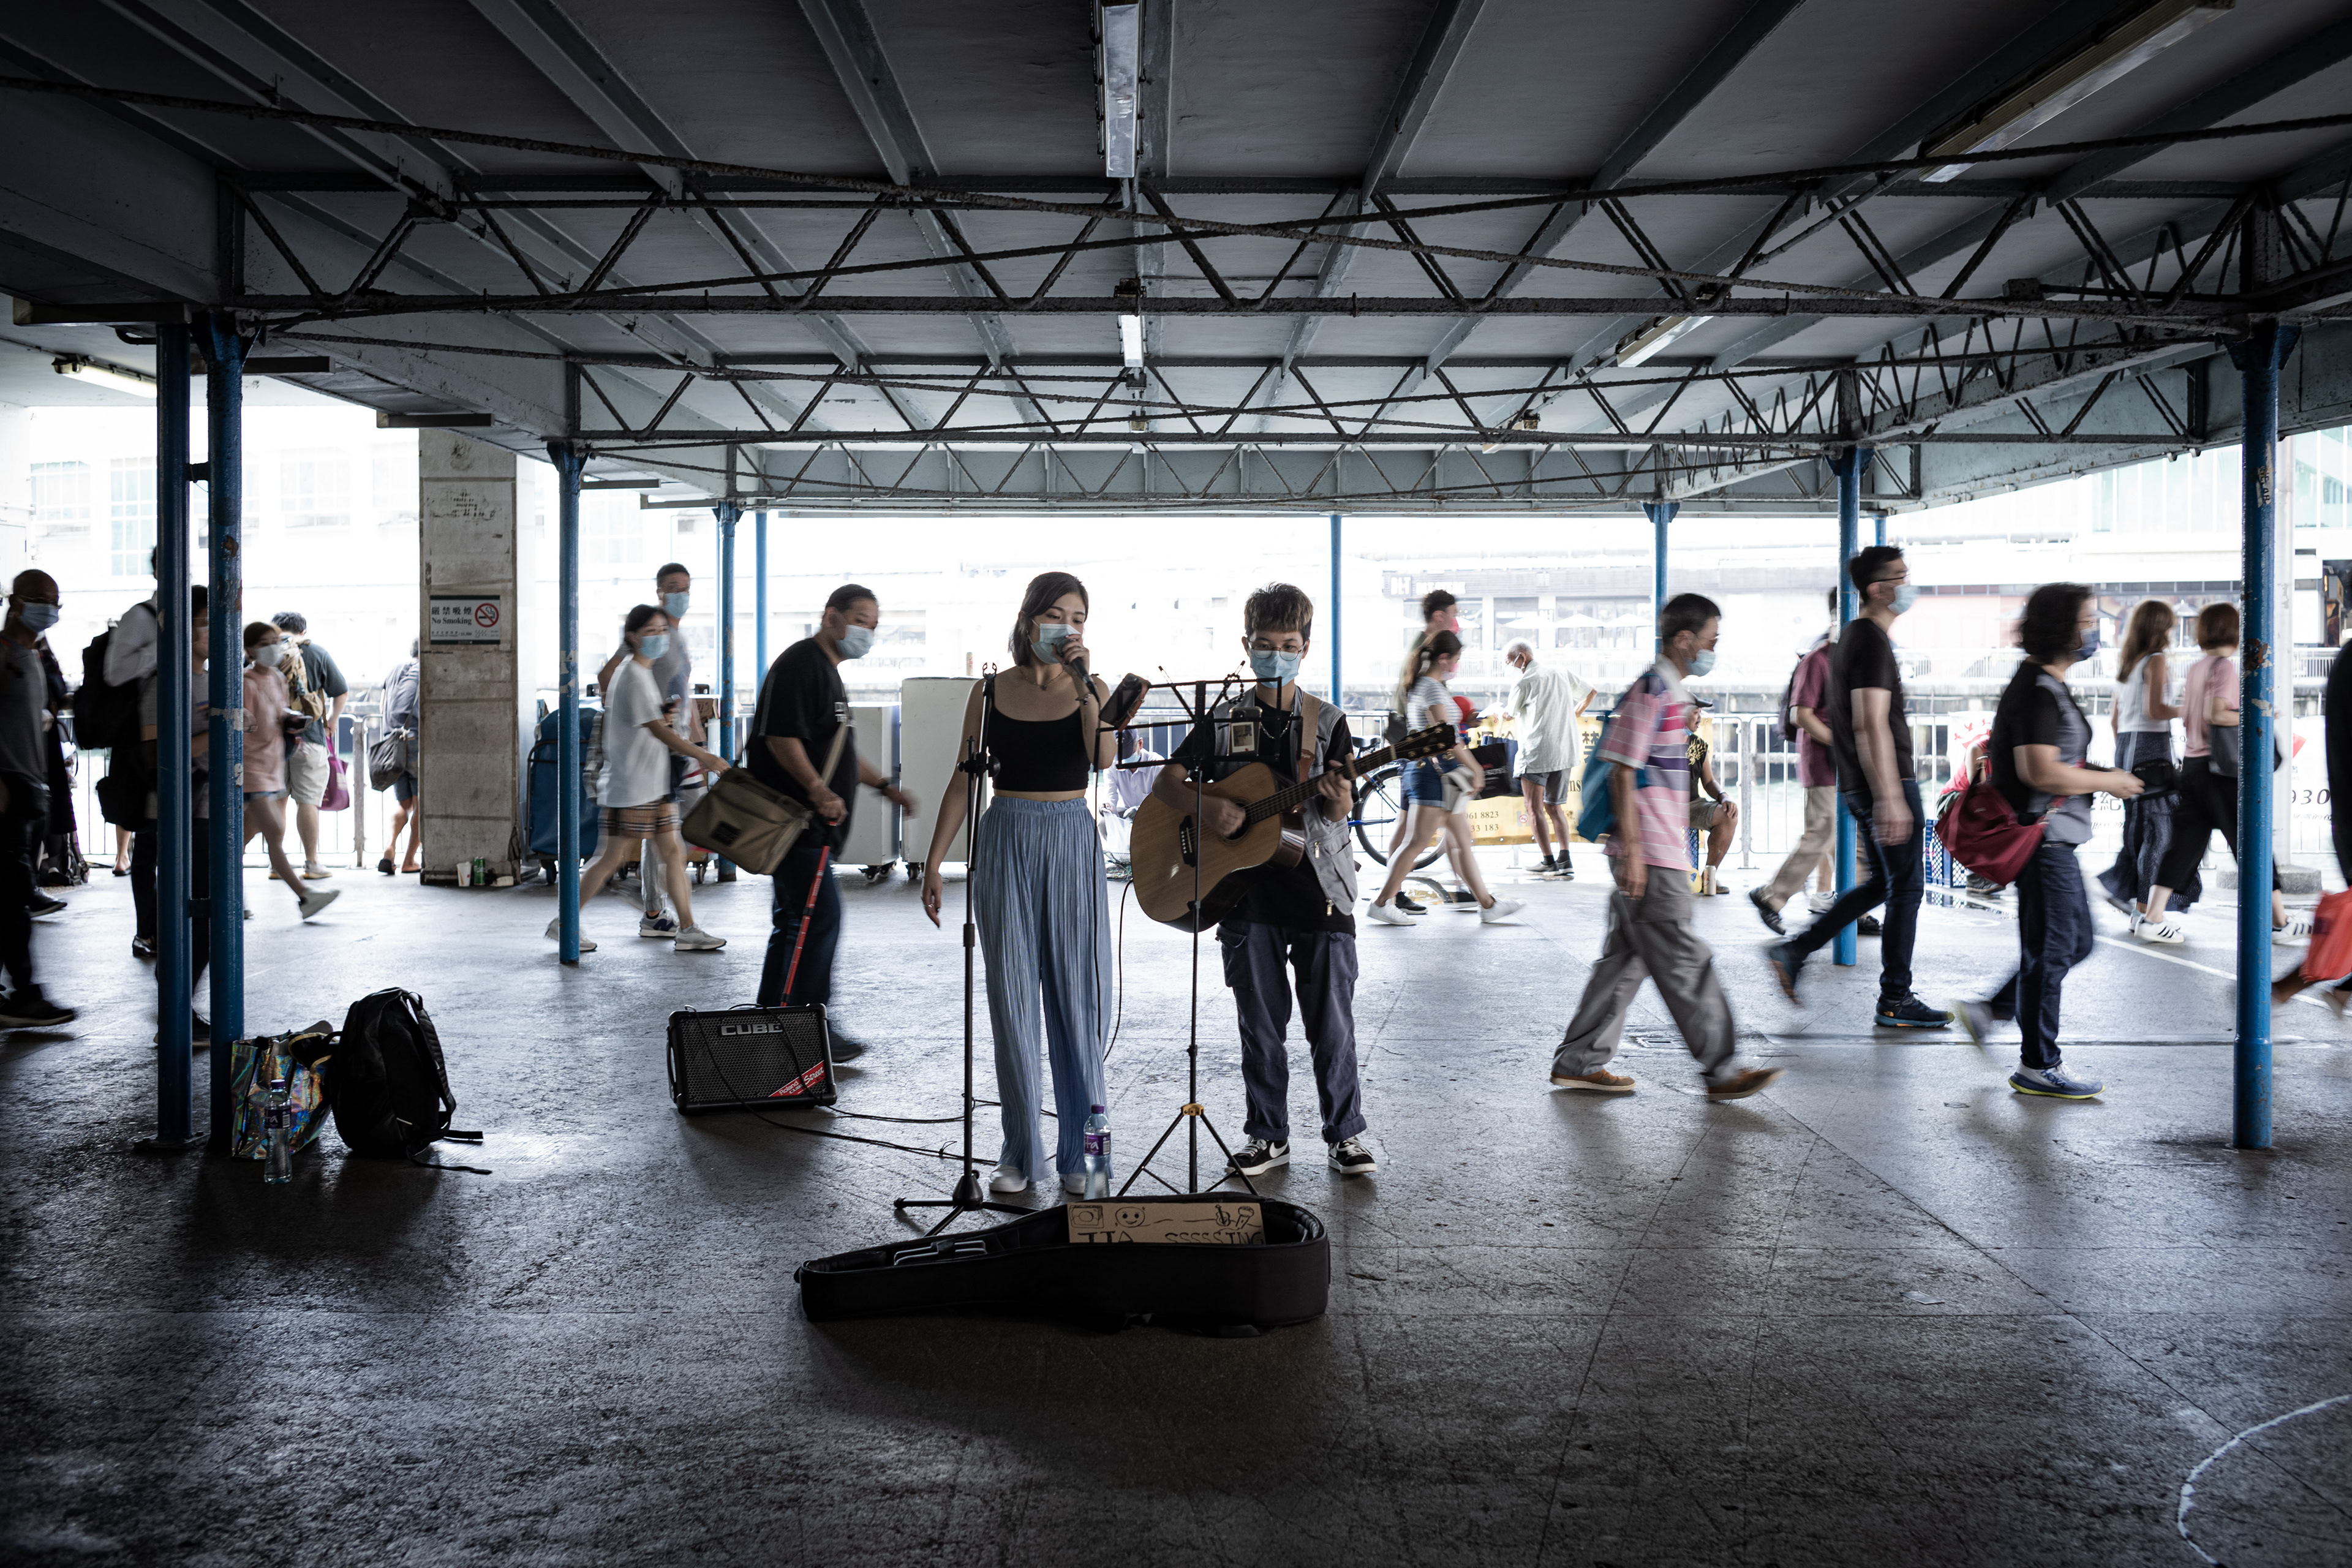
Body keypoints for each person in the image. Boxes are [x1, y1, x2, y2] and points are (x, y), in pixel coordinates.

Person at [1150, 582, 1379, 1177]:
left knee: (1331, 1026)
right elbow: (1167, 784)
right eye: (1265, 644)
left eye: (1289, 645)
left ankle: (1345, 1135)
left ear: (1306, 648)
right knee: (1259, 1026)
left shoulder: (1327, 723)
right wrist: (1207, 805)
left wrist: (1335, 798)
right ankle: (1267, 1135)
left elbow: (1334, 813)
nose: (1276, 654)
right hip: (1244, 894)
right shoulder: (1225, 719)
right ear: (1246, 646)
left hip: (1321, 892)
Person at [919, 571, 1114, 1195]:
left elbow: (1103, 759)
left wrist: (1087, 686)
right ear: (1030, 619)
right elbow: (963, 778)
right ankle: (1019, 1153)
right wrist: (932, 860)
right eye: (1056, 614)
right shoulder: (990, 692)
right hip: (1005, 833)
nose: (1068, 626)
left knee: (1079, 1002)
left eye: (1079, 617)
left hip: (1070, 836)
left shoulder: (1095, 689)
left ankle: (1089, 1155)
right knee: (1010, 1002)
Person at [1550, 594, 1779, 1101]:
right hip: (1650, 856)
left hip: (1652, 852)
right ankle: (1722, 1070)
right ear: (1684, 640)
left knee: (1625, 962)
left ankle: (1578, 1061)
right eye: (1711, 641)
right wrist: (1632, 850)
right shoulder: (1652, 691)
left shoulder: (1671, 696)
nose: (1713, 649)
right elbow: (1623, 772)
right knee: (1685, 961)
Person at [1956, 584, 2145, 1098]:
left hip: (2054, 839)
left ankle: (1991, 1009)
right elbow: (2040, 771)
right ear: (2061, 627)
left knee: (2072, 942)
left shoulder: (2045, 686)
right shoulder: (2039, 690)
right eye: (2087, 620)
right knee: (2055, 950)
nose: (2094, 630)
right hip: (2045, 842)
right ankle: (2039, 1063)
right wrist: (2111, 782)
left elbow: (2060, 763)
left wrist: (2108, 775)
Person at [1765, 546, 1953, 1030]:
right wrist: (1891, 795)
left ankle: (1797, 950)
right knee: (1907, 888)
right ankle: (1896, 997)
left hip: (1858, 782)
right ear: (1877, 588)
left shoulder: (1851, 639)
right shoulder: (1869, 641)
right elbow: (1871, 724)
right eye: (1900, 576)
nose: (1908, 584)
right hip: (1885, 782)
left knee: (1881, 883)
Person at [748, 583, 920, 1047]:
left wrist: (885, 786)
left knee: (796, 922)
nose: (867, 632)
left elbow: (839, 749)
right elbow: (782, 739)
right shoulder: (802, 665)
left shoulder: (826, 670)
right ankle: (807, 1026)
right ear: (832, 618)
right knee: (817, 920)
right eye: (860, 620)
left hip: (811, 825)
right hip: (798, 823)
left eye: (874, 625)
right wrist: (819, 791)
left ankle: (776, 1021)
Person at [547, 606, 731, 954]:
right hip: (634, 787)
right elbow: (658, 732)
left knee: (673, 852)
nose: (661, 637)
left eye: (664, 630)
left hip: (650, 784)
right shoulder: (632, 675)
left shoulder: (639, 674)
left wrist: (663, 717)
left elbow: (649, 723)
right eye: (652, 631)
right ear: (632, 636)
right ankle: (564, 921)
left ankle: (688, 928)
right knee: (610, 859)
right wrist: (702, 755)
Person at [2139, 602, 2309, 944]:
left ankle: (2152, 917)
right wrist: (2258, 714)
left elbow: (2193, 715)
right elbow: (2216, 714)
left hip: (2193, 767)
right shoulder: (2226, 669)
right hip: (2220, 774)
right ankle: (2279, 922)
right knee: (2251, 843)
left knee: (2184, 845)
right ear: (2235, 631)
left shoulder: (2197, 668)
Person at [1365, 630, 1523, 925]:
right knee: (1417, 842)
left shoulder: (1424, 686)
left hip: (1430, 772)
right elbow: (1446, 737)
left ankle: (1488, 904)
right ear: (1444, 658)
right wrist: (1475, 768)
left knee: (1462, 841)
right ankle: (1382, 902)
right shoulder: (1432, 689)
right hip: (1434, 773)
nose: (1458, 665)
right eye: (1457, 659)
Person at [596, 562, 698, 937]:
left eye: (686, 588)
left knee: (667, 840)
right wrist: (627, 725)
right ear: (659, 591)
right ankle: (656, 911)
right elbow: (607, 676)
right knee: (640, 846)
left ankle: (665, 914)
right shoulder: (646, 636)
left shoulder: (678, 638)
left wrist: (695, 740)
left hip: (674, 744)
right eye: (674, 587)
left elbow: (682, 692)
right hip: (654, 750)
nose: (681, 595)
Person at [0, 571, 76, 1027]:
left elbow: (61, 698)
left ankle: (20, 994)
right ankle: (26, 993)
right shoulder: (5, 653)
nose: (50, 609)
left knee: (9, 896)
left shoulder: (33, 656)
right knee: (12, 900)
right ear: (14, 602)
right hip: (10, 789)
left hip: (29, 788)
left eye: (55, 601)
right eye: (40, 600)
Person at [1752, 593, 1839, 935]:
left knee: (1846, 838)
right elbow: (1801, 715)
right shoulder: (1818, 660)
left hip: (1846, 765)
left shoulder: (1848, 658)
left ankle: (1853, 905)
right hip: (1823, 763)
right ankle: (1772, 896)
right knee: (1823, 832)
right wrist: (1842, 743)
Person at [2097, 600, 2184, 941]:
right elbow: (2157, 709)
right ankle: (2147, 911)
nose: (2172, 632)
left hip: (2128, 749)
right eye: (2170, 626)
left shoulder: (2128, 664)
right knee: (2160, 832)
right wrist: (2189, 709)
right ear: (2159, 628)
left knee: (2139, 830)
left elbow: (2115, 719)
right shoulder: (2156, 660)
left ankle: (2136, 904)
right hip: (2152, 749)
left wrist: (2126, 758)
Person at [146, 587, 211, 1042]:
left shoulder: (220, 679)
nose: (214, 631)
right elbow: (159, 753)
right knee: (182, 917)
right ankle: (174, 1007)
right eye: (205, 622)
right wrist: (222, 732)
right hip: (178, 814)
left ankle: (181, 1004)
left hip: (210, 811)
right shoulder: (164, 682)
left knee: (209, 920)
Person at [241, 623, 340, 924]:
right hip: (252, 770)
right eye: (265, 643)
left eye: (276, 641)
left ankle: (228, 892)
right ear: (249, 650)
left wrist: (290, 719)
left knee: (242, 839)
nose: (273, 647)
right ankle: (305, 896)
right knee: (274, 833)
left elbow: (279, 712)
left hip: (272, 767)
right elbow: (242, 728)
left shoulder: (278, 678)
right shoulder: (244, 683)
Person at [1384, 589, 1460, 908]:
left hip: (1416, 750)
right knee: (1412, 832)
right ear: (1439, 617)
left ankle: (1470, 891)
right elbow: (1425, 711)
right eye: (1453, 615)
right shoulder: (1426, 652)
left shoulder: (1423, 650)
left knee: (1420, 830)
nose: (1456, 622)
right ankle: (1390, 895)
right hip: (1418, 753)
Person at [106, 553, 162, 952]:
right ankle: (147, 931)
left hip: (170, 744)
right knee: (149, 845)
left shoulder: (184, 614)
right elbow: (115, 672)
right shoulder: (141, 617)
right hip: (144, 748)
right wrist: (164, 652)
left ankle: (162, 927)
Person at [270, 611, 348, 883]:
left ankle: (276, 865)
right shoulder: (316, 652)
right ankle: (312, 863)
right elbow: (341, 690)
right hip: (310, 737)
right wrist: (333, 722)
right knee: (308, 802)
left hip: (273, 742)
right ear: (302, 631)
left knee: (276, 801)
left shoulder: (266, 652)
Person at [1503, 639, 1591, 877]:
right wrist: (1575, 714)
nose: (1510, 666)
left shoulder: (1524, 680)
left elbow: (1510, 714)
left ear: (1522, 657)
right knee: (1555, 807)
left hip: (1537, 752)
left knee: (1534, 808)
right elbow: (1590, 691)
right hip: (1564, 750)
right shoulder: (1560, 671)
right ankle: (1566, 859)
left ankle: (1548, 861)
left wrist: (1499, 712)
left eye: (1511, 661)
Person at [1687, 706, 1737, 896]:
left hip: (1691, 806)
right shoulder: (1661, 741)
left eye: (1700, 713)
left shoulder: (1698, 745)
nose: (1699, 717)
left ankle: (1708, 876)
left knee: (1729, 816)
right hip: (1662, 805)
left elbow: (1708, 781)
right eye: (1695, 712)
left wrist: (1724, 796)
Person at [380, 641, 421, 875]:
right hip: (416, 740)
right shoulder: (427, 670)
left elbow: (382, 705)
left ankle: (389, 848)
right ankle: (409, 861)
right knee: (420, 806)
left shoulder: (395, 670)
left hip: (393, 742)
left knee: (403, 805)